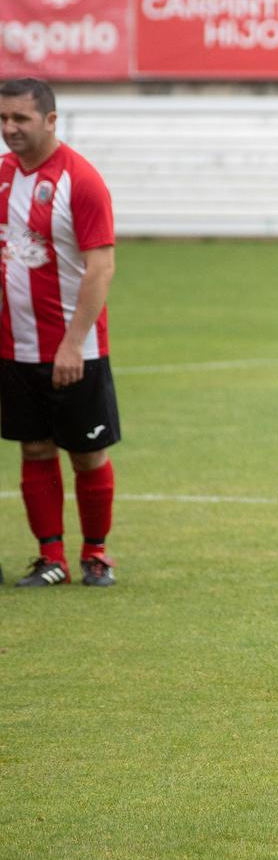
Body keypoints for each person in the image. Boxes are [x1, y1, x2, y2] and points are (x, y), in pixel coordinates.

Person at [0, 78, 120, 589]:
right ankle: (51, 558)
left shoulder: (80, 180)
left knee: (87, 452)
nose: (10, 129)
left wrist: (73, 343)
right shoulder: (2, 176)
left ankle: (96, 554)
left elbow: (101, 268)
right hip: (15, 347)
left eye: (20, 119)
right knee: (34, 449)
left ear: (51, 120)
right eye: (3, 119)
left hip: (76, 349)